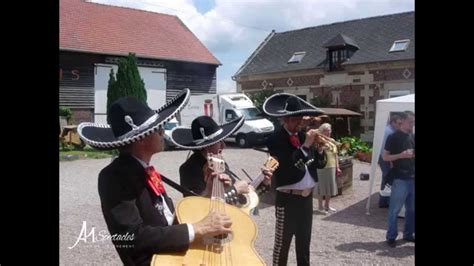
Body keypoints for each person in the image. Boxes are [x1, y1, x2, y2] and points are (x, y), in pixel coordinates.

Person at [77, 90, 232, 265]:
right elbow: (131, 238)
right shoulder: (114, 176)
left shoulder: (142, 169)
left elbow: (167, 221)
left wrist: (207, 192)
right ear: (140, 139)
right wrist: (198, 228)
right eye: (158, 128)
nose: (162, 132)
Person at [263, 93, 327, 266]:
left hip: (306, 199)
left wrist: (320, 150)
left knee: (304, 244)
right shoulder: (275, 140)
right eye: (295, 119)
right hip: (287, 199)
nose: (299, 123)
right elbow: (290, 165)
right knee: (282, 245)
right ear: (285, 119)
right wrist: (306, 146)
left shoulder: (302, 136)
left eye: (300, 119)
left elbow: (318, 165)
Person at [170, 115, 272, 205]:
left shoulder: (219, 162)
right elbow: (197, 207)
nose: (224, 145)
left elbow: (241, 201)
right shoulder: (189, 169)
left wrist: (263, 183)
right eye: (219, 141)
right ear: (206, 146)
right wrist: (235, 189)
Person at [383, 111, 415, 248]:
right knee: (394, 210)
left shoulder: (413, 136)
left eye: (413, 122)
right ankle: (391, 236)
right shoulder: (393, 137)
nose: (412, 124)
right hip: (400, 178)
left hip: (413, 178)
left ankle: (408, 234)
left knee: (412, 210)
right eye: (410, 121)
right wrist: (401, 155)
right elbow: (385, 157)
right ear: (401, 121)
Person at [313, 123, 340, 214]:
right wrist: (321, 148)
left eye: (329, 130)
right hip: (322, 166)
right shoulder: (318, 140)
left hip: (331, 166)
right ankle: (320, 207)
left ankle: (327, 206)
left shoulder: (332, 140)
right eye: (326, 130)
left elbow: (335, 154)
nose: (328, 132)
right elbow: (318, 154)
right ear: (322, 131)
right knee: (321, 187)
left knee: (330, 187)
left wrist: (337, 167)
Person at [378, 113, 402, 207]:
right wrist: (391, 161)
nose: (399, 126)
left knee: (387, 178)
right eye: (398, 123)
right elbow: (386, 149)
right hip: (385, 158)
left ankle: (385, 200)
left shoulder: (389, 130)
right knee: (387, 178)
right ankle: (384, 201)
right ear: (393, 122)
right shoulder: (389, 132)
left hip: (384, 157)